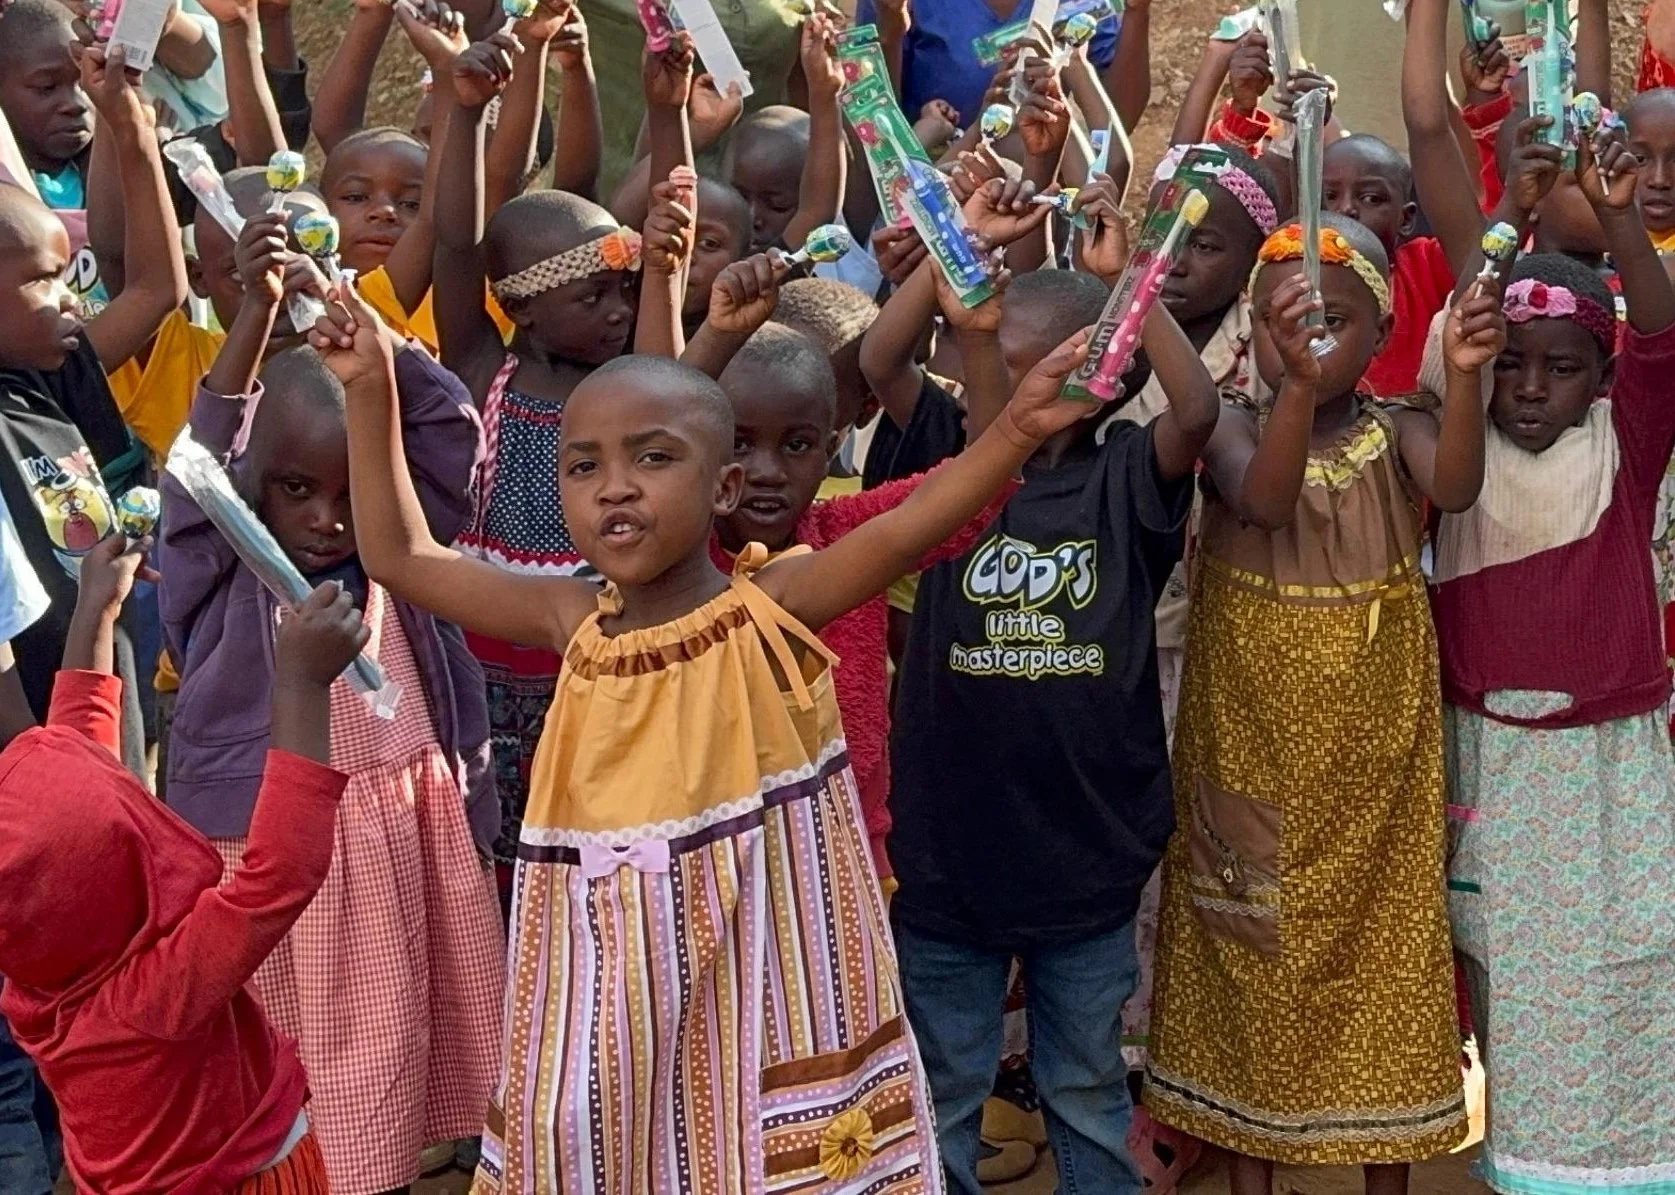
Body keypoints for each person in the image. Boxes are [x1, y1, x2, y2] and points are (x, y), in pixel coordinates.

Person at [322, 215, 1108, 1184]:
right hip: (610, 980)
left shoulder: (773, 603)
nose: (615, 489)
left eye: (653, 459)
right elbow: (402, 555)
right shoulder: (569, 618)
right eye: (584, 466)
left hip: (760, 980)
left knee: (749, 1150)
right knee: (606, 1146)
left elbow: (911, 526)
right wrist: (369, 386)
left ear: (724, 483)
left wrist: (1018, 427)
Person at [1144, 214, 1502, 1194]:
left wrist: (1463, 375)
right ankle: (1252, 1174)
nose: (1306, 340)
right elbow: (1263, 501)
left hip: (1372, 760)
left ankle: (1384, 1174)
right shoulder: (1228, 425)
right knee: (1246, 941)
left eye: (1333, 322)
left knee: (1383, 948)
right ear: (1252, 331)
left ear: (1381, 332)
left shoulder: (1403, 427)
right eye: (1282, 323)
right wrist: (1296, 390)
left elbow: (1457, 488)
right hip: (1249, 741)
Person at [866, 245, 1220, 1190]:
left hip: (1089, 848)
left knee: (1086, 1083)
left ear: (1096, 372)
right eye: (974, 355)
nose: (983, 379)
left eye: (1014, 357)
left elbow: (1196, 411)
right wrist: (945, 258)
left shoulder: (1127, 474)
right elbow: (879, 361)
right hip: (949, 847)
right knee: (945, 1082)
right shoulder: (949, 458)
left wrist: (1138, 280)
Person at [158, 231, 503, 1193]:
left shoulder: (396, 555)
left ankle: (377, 1171)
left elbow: (447, 432)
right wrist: (255, 316)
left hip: (395, 848)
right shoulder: (223, 562)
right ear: (250, 486)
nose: (327, 518)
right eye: (297, 489)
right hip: (274, 865)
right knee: (287, 1062)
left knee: (384, 1050)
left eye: (352, 489)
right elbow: (197, 461)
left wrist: (360, 328)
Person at [1428, 128, 1675, 1195]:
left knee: (1628, 965)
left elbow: (1662, 336)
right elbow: (1459, 320)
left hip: (1602, 764)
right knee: (1514, 982)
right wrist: (1504, 226)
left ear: (1602, 380)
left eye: (1562, 368)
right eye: (1508, 365)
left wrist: (1617, 214)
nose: (1530, 388)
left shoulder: (1624, 447)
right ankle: (1527, 1167)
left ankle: (1631, 1167)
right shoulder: (1449, 448)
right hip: (1490, 761)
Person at [0, 531, 366, 1195]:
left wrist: (96, 609)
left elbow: (78, 759)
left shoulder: (43, 977)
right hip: (248, 1178)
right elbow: (277, 878)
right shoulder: (150, 996)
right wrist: (303, 683)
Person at [700, 291, 1016, 882]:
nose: (766, 471)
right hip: (705, 856)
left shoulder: (851, 533)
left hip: (842, 843)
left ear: (831, 448)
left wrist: (977, 337)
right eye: (738, 444)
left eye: (797, 445)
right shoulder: (674, 558)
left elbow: (983, 482)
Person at [0, 47, 189, 775]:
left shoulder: (43, 377)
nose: (70, 300)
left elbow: (157, 290)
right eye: (45, 280)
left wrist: (128, 125)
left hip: (104, 704)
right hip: (30, 751)